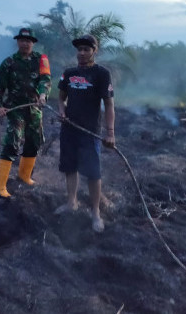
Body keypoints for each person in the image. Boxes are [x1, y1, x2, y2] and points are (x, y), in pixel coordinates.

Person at [57, 34, 115, 232]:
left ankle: (96, 212)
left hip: (90, 131)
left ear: (94, 51)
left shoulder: (101, 74)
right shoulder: (69, 73)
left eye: (86, 49)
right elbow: (61, 97)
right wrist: (62, 111)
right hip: (69, 129)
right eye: (79, 49)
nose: (81, 53)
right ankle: (71, 202)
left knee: (93, 172)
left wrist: (110, 132)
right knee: (70, 167)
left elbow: (108, 104)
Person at [0, 28, 51, 198]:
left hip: (34, 107)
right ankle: (1, 184)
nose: (25, 43)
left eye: (28, 41)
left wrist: (42, 95)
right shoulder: (8, 63)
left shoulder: (41, 59)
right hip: (15, 109)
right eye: (22, 40)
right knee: (12, 141)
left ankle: (24, 176)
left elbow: (45, 80)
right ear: (17, 42)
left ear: (33, 42)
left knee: (34, 141)